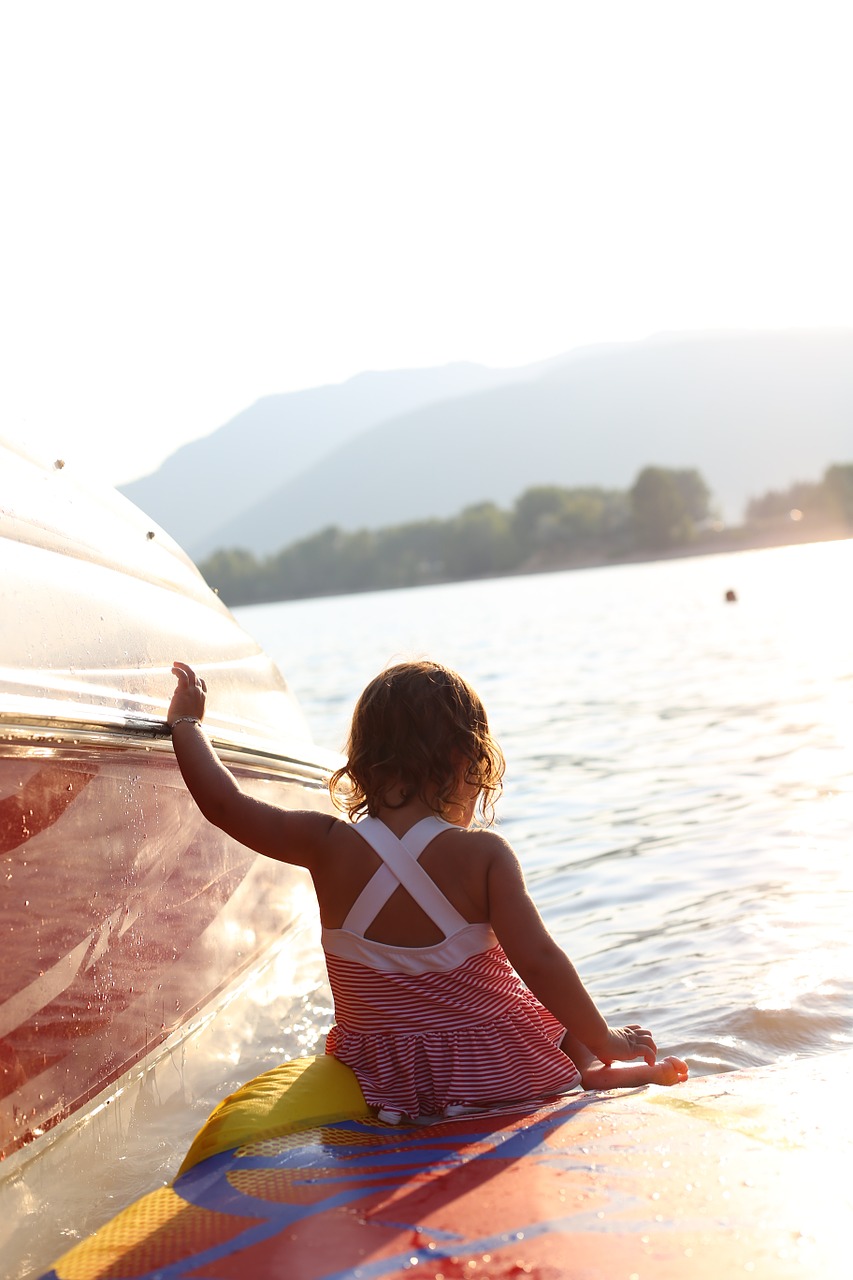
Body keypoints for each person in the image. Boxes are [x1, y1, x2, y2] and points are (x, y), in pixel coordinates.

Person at [168, 659, 687, 1120]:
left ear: (363, 761)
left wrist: (187, 724)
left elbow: (225, 806)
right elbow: (541, 961)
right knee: (550, 1007)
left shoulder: (325, 844)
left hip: (386, 1083)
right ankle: (591, 1067)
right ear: (468, 761)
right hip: (502, 1071)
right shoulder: (483, 856)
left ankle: (586, 1070)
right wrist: (606, 1038)